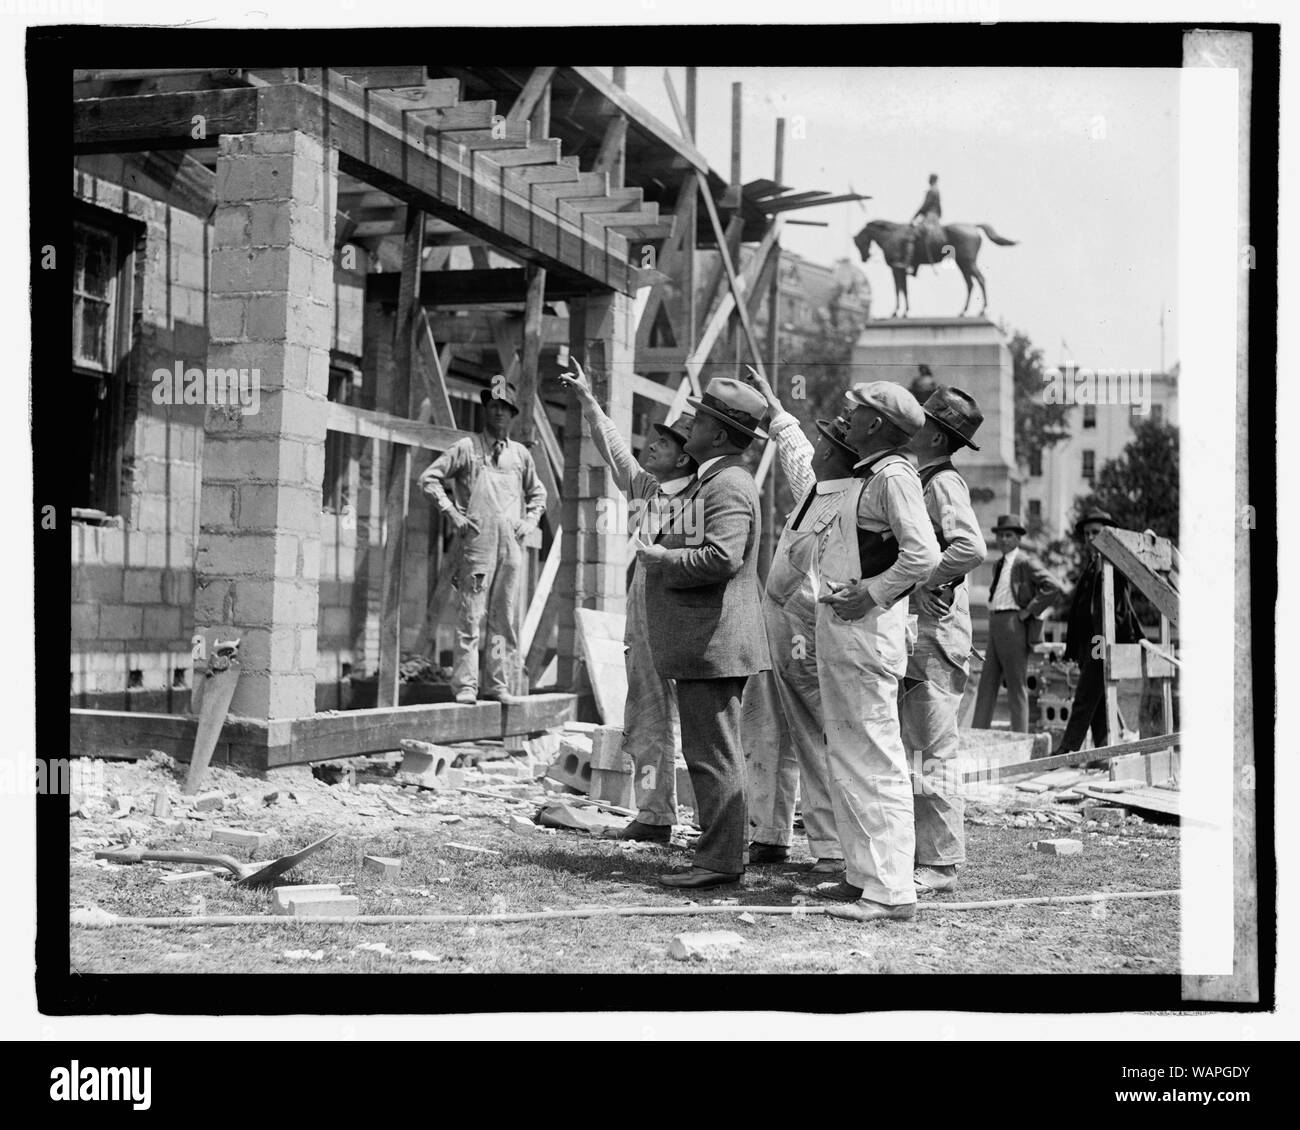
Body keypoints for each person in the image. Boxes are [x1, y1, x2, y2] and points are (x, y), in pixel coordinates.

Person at [810, 382, 941, 924]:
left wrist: (873, 591)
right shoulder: (869, 474)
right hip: (846, 634)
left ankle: (891, 892)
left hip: (869, 634)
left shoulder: (893, 477)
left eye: (856, 410)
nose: (847, 415)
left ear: (875, 424)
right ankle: (863, 876)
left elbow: (925, 554)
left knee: (877, 758)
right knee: (847, 753)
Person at [636, 377, 772, 890]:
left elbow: (723, 556)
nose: (690, 424)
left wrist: (662, 558)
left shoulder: (730, 484)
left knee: (713, 755)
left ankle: (718, 862)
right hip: (704, 643)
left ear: (719, 436)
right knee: (710, 752)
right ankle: (717, 854)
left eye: (702, 419)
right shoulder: (714, 479)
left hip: (713, 644)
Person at [558, 359, 697, 843]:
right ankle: (655, 815)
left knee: (701, 731)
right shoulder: (649, 491)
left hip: (683, 629)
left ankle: (719, 825)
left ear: (685, 457)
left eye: (664, 441)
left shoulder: (701, 498)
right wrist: (590, 402)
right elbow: (616, 453)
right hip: (644, 629)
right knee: (644, 724)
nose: (652, 444)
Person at [738, 366, 858, 875]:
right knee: (765, 729)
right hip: (777, 625)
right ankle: (767, 834)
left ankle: (830, 847)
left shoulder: (845, 498)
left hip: (807, 626)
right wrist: (773, 405)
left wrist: (779, 414)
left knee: (813, 733)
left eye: (829, 441)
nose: (820, 446)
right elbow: (796, 459)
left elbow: (799, 462)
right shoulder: (818, 490)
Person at [900, 387, 987, 897]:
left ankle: (941, 863)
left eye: (923, 419)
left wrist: (929, 580)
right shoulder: (925, 478)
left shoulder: (943, 482)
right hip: (925, 632)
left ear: (935, 434)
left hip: (938, 637)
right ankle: (925, 853)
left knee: (933, 750)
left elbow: (970, 546)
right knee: (918, 747)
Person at [419, 376, 546, 706]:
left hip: (510, 547)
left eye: (505, 408)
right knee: (471, 617)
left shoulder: (520, 456)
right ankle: (466, 685)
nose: (499, 413)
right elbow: (429, 479)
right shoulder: (467, 448)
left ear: (513, 414)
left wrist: (529, 521)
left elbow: (538, 493)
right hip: (477, 545)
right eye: (493, 407)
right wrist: (453, 514)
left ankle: (497, 683)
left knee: (503, 620)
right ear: (485, 410)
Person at [1055, 508, 1146, 754]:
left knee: (1084, 697)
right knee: (1096, 702)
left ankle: (1068, 749)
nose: (1090, 537)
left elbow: (1121, 606)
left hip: (1102, 638)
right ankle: (1102, 752)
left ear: (1107, 533)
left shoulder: (1115, 563)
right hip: (1088, 641)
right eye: (1086, 533)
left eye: (1096, 532)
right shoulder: (1093, 564)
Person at [970, 514, 1063, 732]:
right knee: (987, 682)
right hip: (996, 621)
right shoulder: (999, 564)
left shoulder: (1024, 562)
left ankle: (1020, 737)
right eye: (1001, 536)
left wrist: (1029, 611)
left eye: (1008, 535)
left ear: (1018, 539)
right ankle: (977, 733)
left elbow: (1053, 586)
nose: (1003, 540)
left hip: (1013, 622)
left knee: (1016, 684)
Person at [905, 173, 944, 275]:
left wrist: (915, 217)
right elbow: (940, 209)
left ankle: (909, 265)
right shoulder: (937, 191)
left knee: (912, 235)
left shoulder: (931, 191)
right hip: (935, 218)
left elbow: (925, 206)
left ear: (931, 180)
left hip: (929, 218)